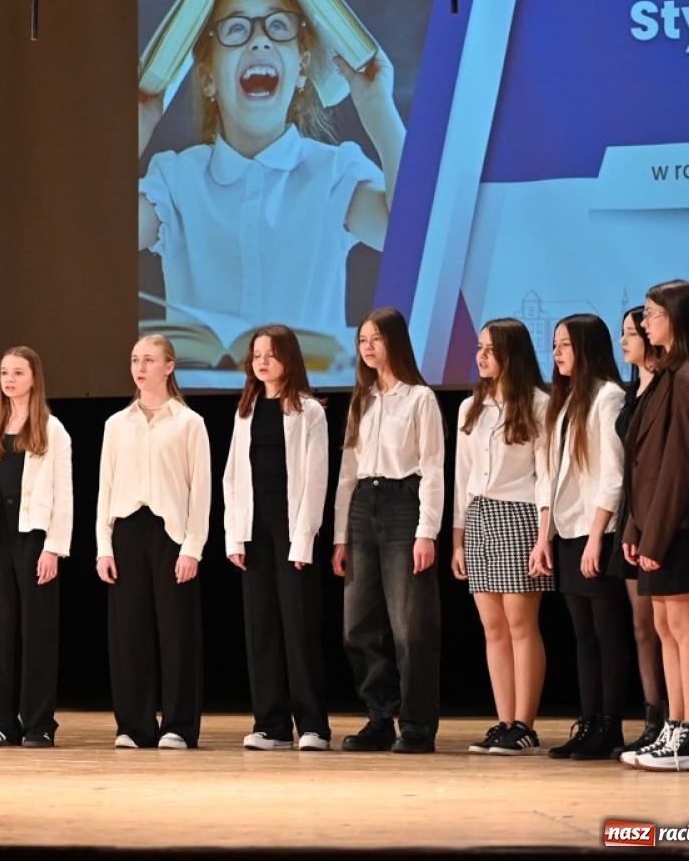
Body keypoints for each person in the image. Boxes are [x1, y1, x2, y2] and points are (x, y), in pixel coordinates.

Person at [138, 0, 405, 359]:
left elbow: (412, 238)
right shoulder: (175, 180)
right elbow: (100, 238)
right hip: (203, 395)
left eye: (278, 26)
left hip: (308, 392)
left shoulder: (335, 173)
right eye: (236, 28)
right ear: (208, 78)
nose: (259, 41)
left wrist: (379, 110)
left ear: (302, 69)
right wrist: (137, 126)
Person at [332, 307, 443, 754]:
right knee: (358, 625)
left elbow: (433, 468)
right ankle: (380, 716)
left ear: (394, 341)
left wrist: (426, 531)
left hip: (404, 503)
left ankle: (416, 724)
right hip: (364, 505)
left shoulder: (420, 398)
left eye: (375, 339)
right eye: (362, 340)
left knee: (410, 627)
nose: (368, 347)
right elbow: (347, 471)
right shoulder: (363, 399)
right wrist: (340, 536)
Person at [96, 334, 210, 750]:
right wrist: (103, 546)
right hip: (127, 530)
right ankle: (134, 725)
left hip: (170, 532)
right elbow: (105, 488)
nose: (140, 367)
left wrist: (192, 547)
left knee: (176, 631)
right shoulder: (116, 424)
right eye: (135, 360)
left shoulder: (188, 422)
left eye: (149, 360)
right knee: (129, 633)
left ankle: (179, 724)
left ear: (169, 366)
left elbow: (200, 491)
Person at [619, 280, 689, 772]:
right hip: (653, 524)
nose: (644, 322)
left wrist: (654, 537)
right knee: (662, 624)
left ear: (675, 319)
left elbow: (679, 469)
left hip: (679, 525)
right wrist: (634, 532)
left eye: (652, 313)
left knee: (682, 622)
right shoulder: (664, 377)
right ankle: (674, 725)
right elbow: (642, 465)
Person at [220, 325, 330, 751]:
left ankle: (313, 725)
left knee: (299, 627)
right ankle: (271, 724)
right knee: (261, 627)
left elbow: (315, 479)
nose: (262, 362)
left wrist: (303, 539)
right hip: (255, 529)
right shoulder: (246, 410)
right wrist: (234, 537)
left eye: (270, 354)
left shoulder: (308, 410)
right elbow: (233, 475)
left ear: (289, 359)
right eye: (257, 355)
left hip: (291, 528)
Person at [528, 314, 629, 759]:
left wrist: (596, 537)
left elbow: (613, 474)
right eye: (554, 345)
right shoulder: (565, 401)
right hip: (567, 529)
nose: (556, 353)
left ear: (587, 348)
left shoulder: (608, 397)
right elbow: (549, 475)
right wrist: (543, 536)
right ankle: (588, 722)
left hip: (597, 530)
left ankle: (610, 726)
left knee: (607, 632)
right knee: (582, 633)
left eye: (565, 345)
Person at [451, 318, 552, 755]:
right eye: (479, 347)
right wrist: (457, 539)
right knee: (493, 626)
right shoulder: (470, 408)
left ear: (513, 354)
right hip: (479, 515)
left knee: (520, 623)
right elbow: (461, 477)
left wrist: (543, 535)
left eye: (491, 349)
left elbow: (546, 475)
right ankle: (504, 720)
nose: (481, 356)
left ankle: (525, 725)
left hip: (520, 514)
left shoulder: (540, 405)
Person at [0, 346, 72, 749]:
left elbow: (64, 495)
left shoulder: (52, 429)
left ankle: (39, 722)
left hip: (34, 538)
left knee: (37, 632)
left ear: (33, 378)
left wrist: (53, 548)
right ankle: (1, 722)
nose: (9, 380)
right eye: (4, 373)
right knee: (0, 633)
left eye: (18, 373)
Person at [612, 307, 666, 756]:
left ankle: (675, 716)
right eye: (625, 332)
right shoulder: (632, 392)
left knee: (663, 620)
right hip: (629, 513)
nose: (625, 340)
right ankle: (653, 716)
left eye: (632, 332)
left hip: (656, 511)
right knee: (640, 623)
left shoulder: (667, 387)